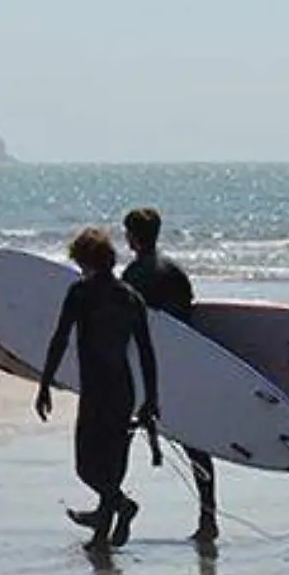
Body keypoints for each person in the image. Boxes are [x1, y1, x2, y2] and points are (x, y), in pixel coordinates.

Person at [35, 226, 159, 552]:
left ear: (85, 261)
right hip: (124, 390)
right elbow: (147, 353)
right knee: (111, 464)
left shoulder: (80, 293)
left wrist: (45, 383)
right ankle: (109, 522)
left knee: (87, 465)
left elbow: (60, 339)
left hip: (97, 390)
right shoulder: (131, 297)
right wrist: (150, 399)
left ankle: (115, 515)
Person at [119, 206, 219, 544]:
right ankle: (209, 519)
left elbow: (127, 328)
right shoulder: (176, 272)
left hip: (149, 371)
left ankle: (111, 507)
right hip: (184, 365)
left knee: (118, 437)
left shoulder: (133, 275)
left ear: (132, 236)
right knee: (196, 445)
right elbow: (187, 323)